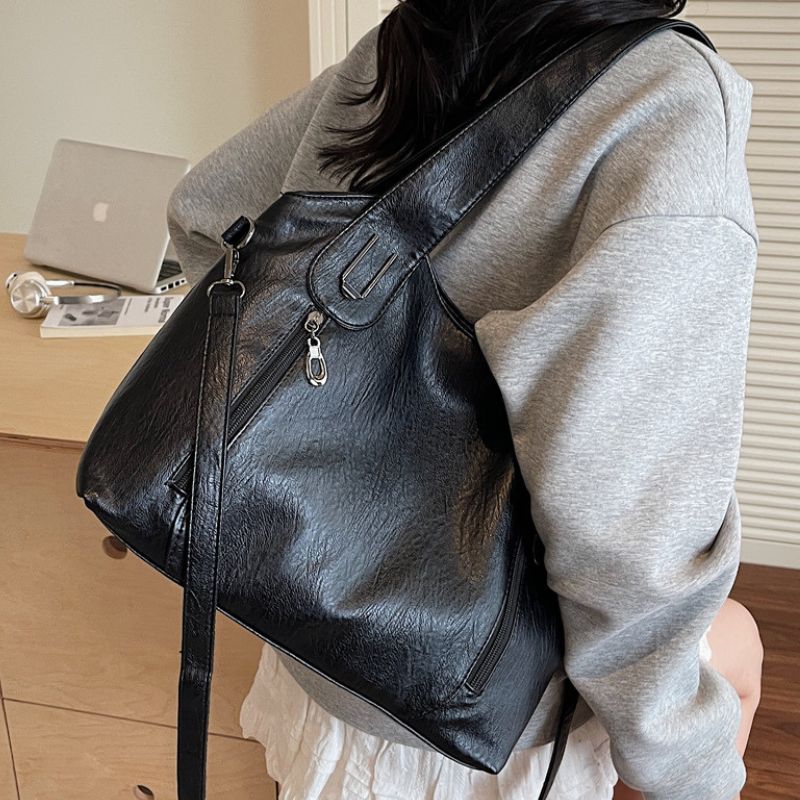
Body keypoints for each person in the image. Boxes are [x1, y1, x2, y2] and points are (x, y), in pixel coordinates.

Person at [165, 2, 765, 798]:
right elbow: (624, 534)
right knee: (742, 649)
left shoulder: (418, 33)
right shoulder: (664, 102)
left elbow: (207, 218)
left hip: (312, 631)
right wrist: (695, 774)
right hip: (473, 707)